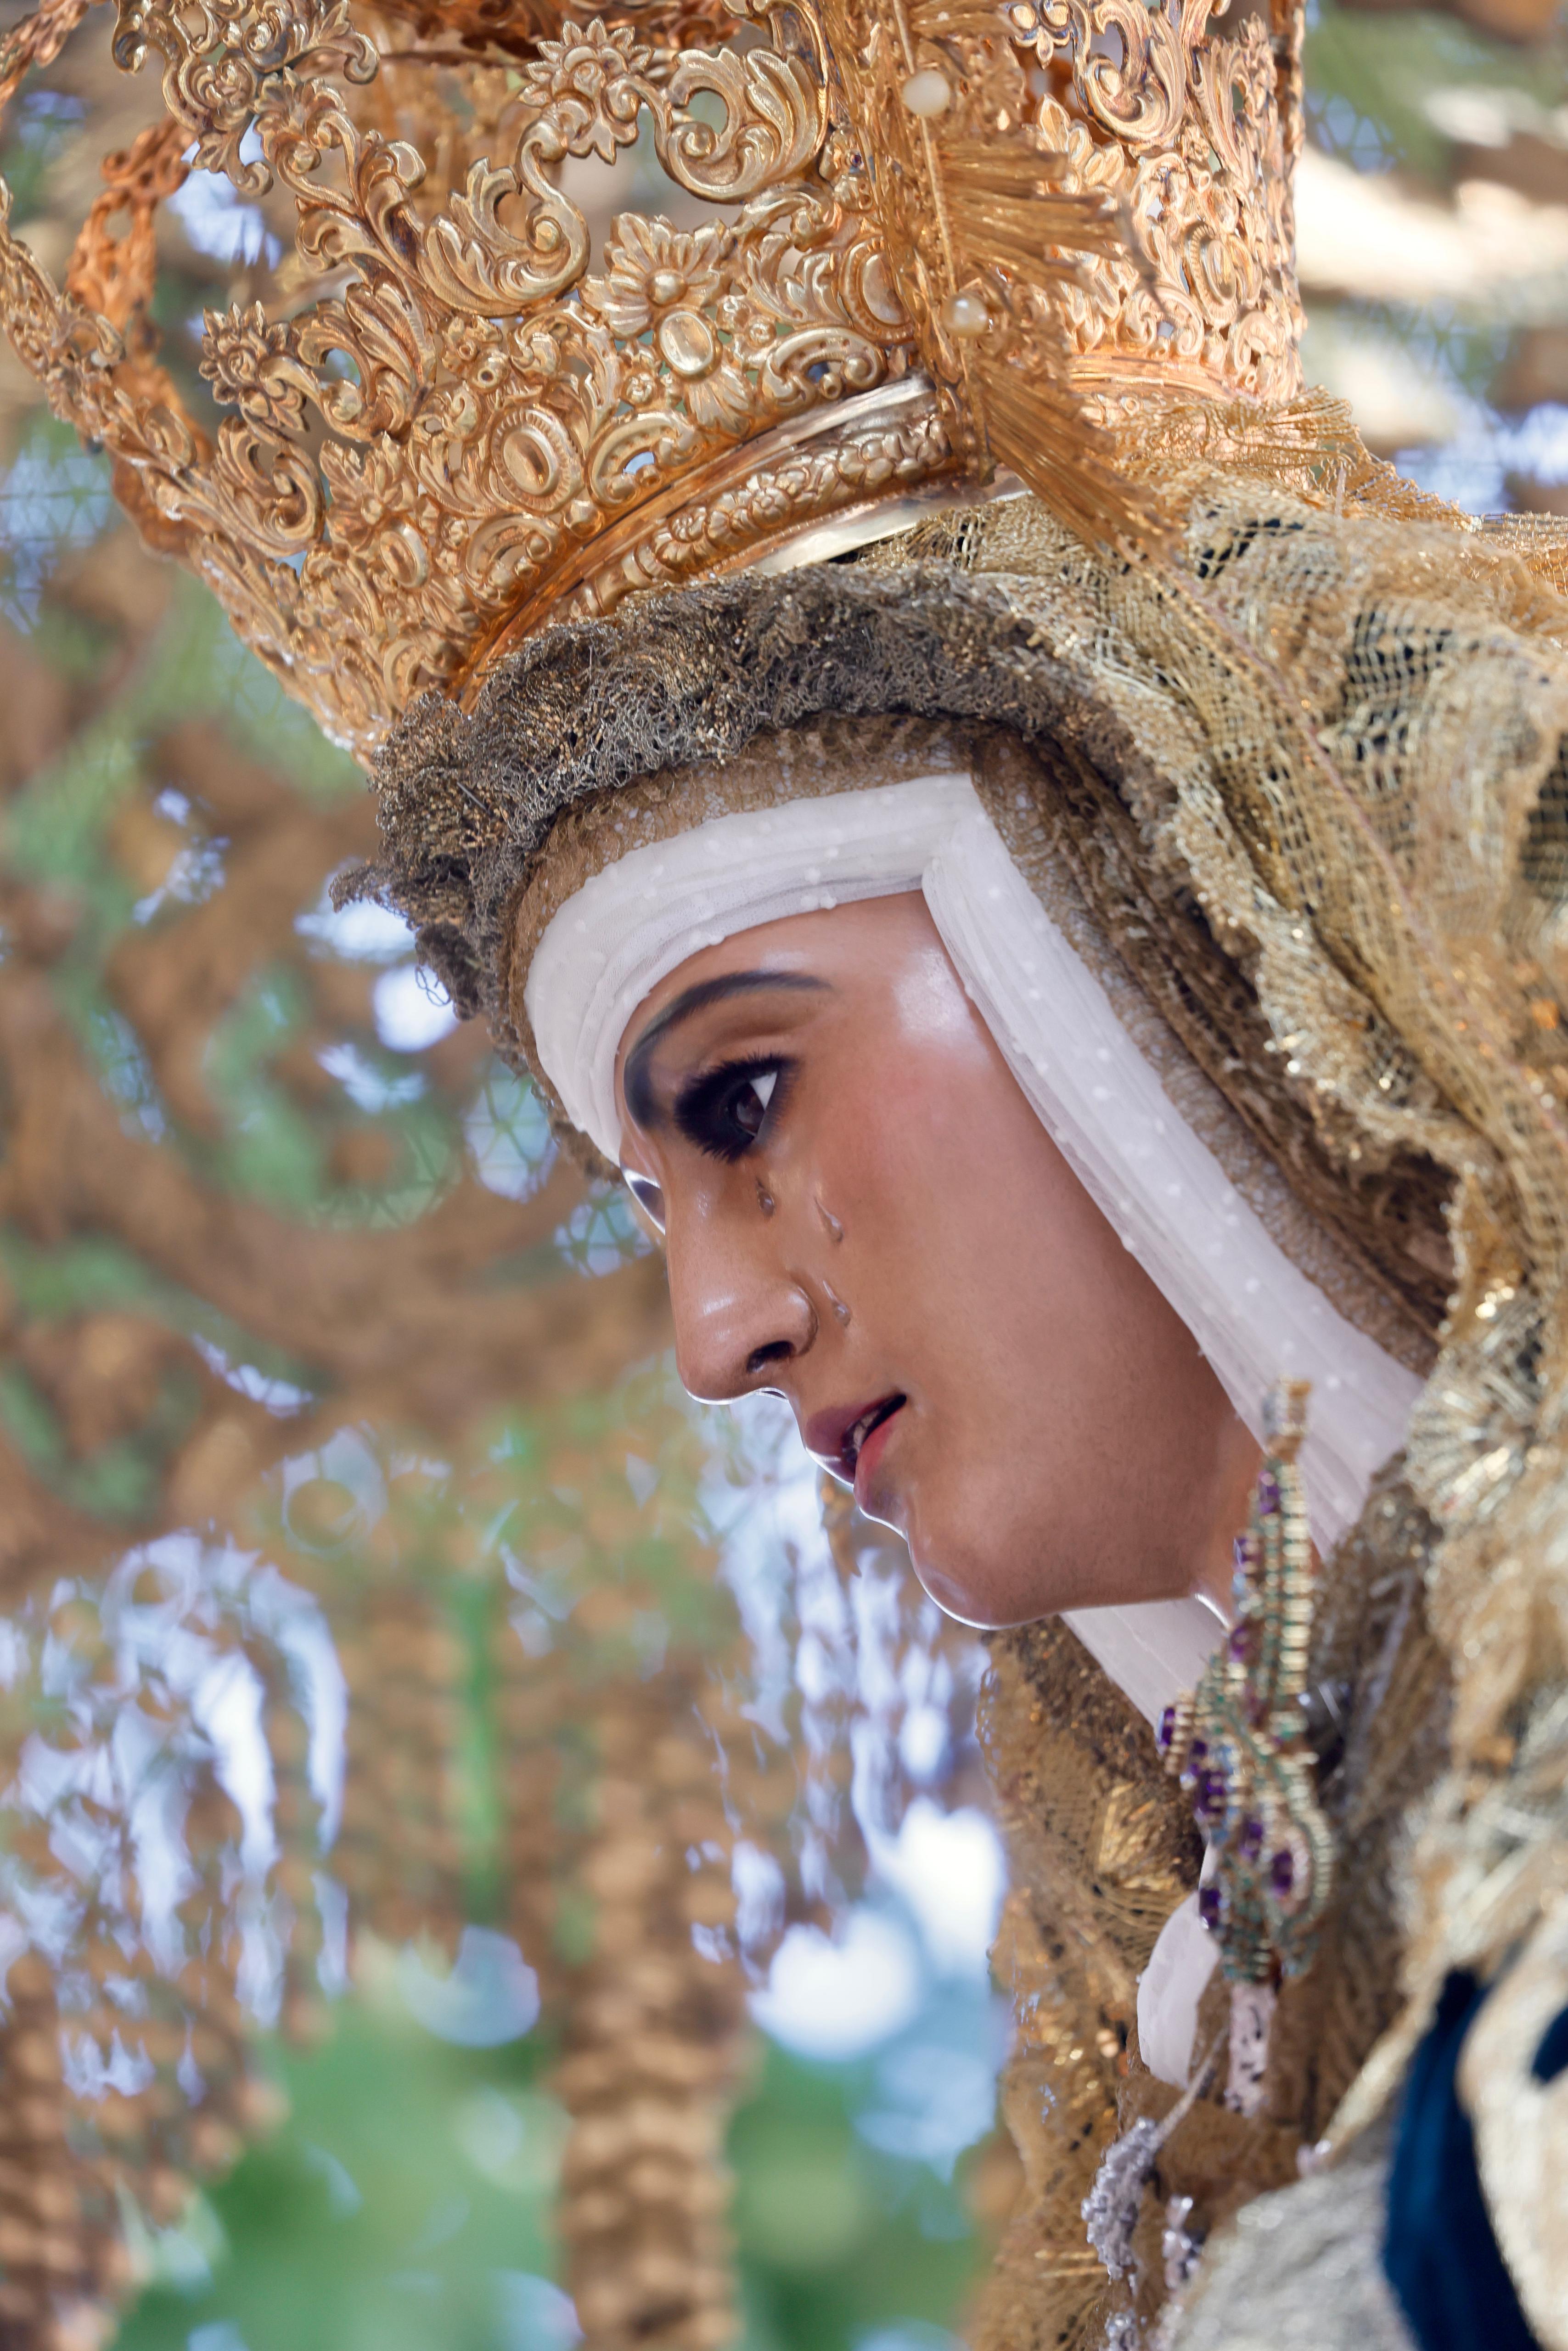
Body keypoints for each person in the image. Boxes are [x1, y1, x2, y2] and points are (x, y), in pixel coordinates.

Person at [8, 0, 1567, 2332]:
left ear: (1141, 941)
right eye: (646, 1203)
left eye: (741, 1102)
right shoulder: (1248, 2059)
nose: (712, 1332)